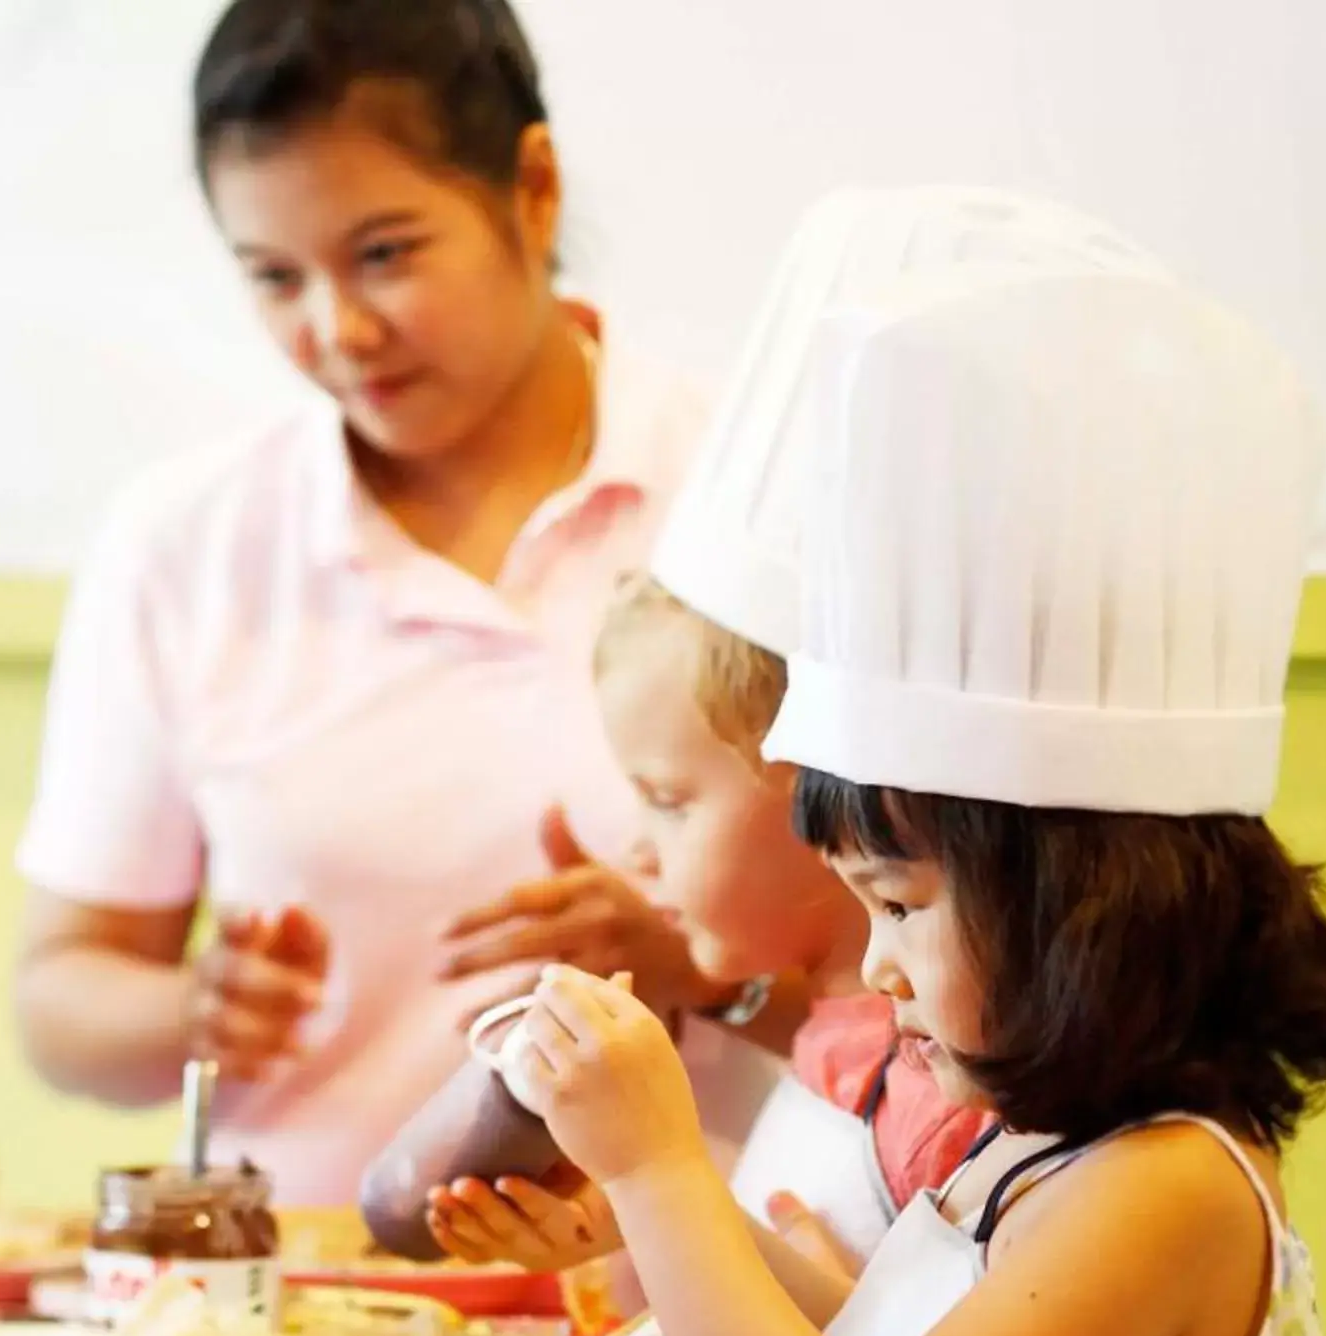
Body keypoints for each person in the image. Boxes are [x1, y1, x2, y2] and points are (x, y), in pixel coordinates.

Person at [509, 265, 1326, 1336]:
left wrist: (666, 1169)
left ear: (1076, 901)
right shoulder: (1036, 1144)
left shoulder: (1165, 1192)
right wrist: (641, 1221)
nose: (871, 964)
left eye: (900, 904)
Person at [14, 0, 730, 1207]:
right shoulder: (189, 544)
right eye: (274, 278)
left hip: (701, 1317)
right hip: (304, 1308)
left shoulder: (741, 491)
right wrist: (191, 1008)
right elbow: (59, 998)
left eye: (386, 253)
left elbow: (923, 963)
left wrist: (697, 962)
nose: (337, 331)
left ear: (533, 189)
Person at [426, 187, 1172, 1279]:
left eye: (672, 799)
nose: (639, 848)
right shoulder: (840, 1047)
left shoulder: (947, 1097)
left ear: (825, 796)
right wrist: (623, 1236)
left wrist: (654, 1190)